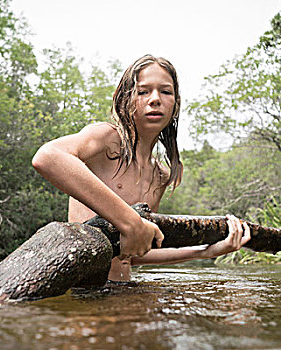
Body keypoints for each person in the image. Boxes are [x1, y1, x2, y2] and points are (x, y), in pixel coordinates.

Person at [32, 55, 250, 281]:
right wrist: (131, 222)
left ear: (175, 105)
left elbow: (137, 251)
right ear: (125, 99)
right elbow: (48, 156)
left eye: (165, 92)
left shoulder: (160, 176)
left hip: (125, 291)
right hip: (82, 293)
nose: (155, 99)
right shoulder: (107, 140)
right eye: (143, 91)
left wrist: (206, 252)